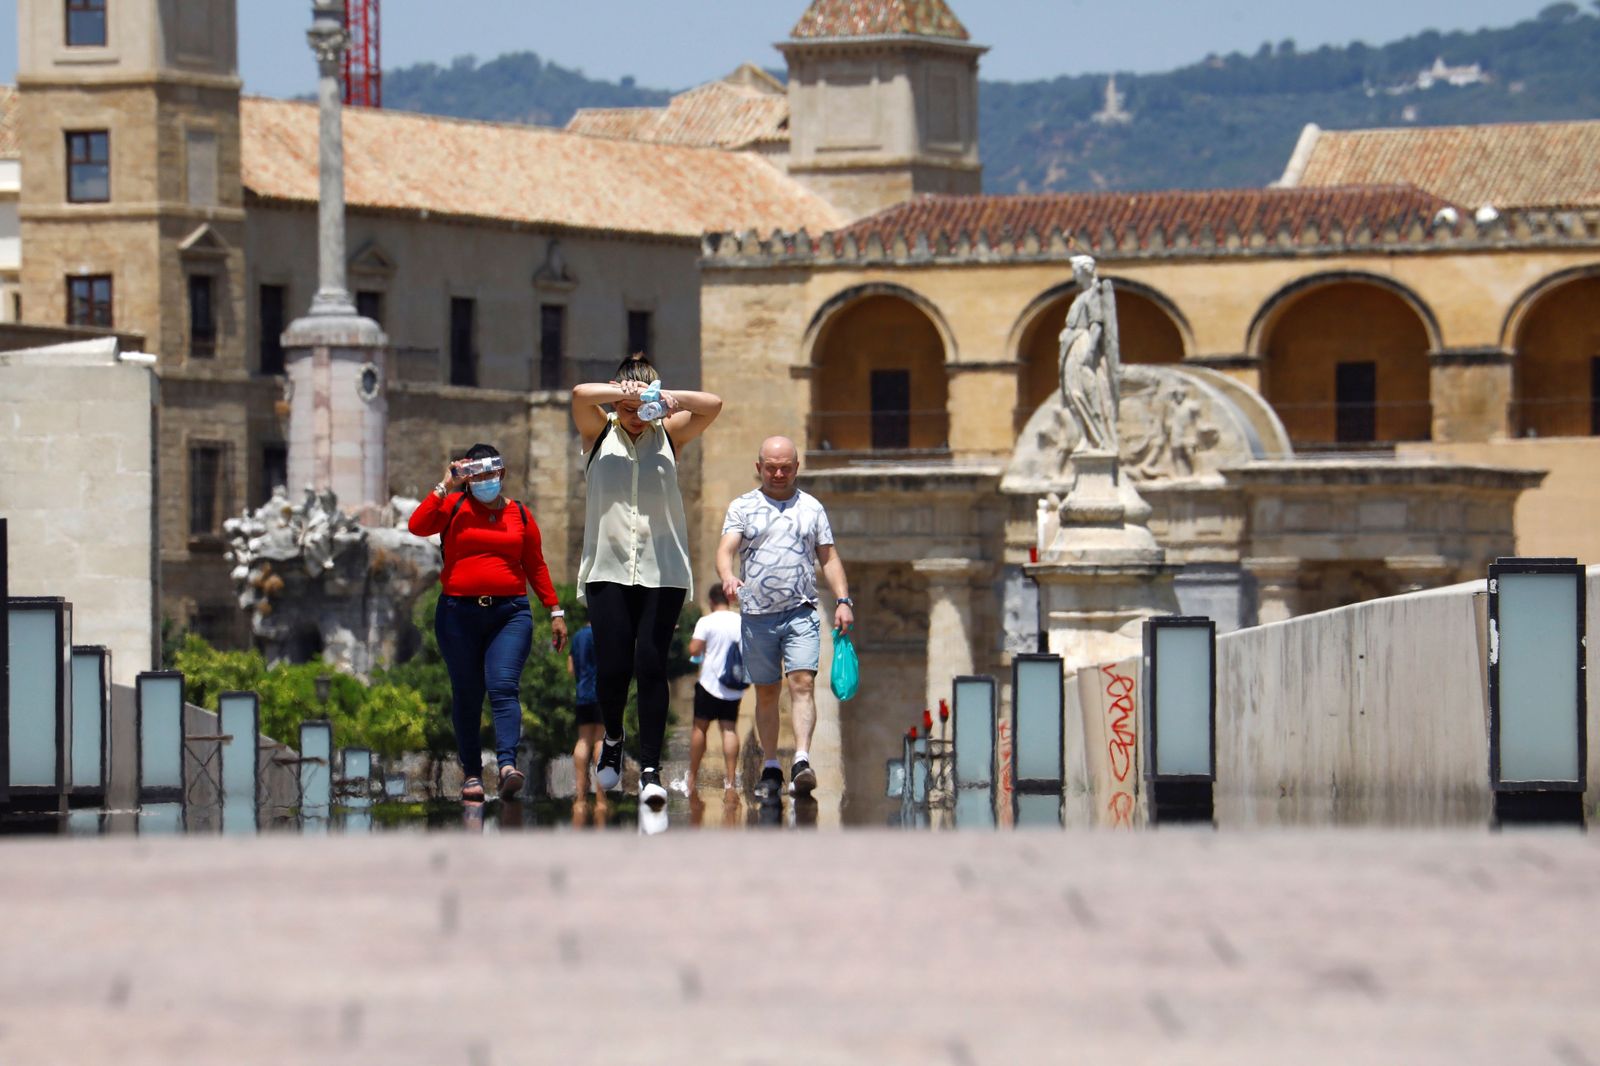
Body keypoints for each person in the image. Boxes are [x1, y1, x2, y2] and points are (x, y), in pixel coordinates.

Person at [571, 353, 723, 810]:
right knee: (614, 666)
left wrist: (666, 399)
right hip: (608, 566)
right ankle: (614, 735)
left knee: (651, 664)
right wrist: (623, 395)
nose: (636, 419)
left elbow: (712, 405)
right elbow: (579, 395)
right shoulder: (598, 433)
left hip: (663, 570)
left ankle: (652, 769)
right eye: (629, 410)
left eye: (644, 410)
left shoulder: (669, 435)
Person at [408, 443, 567, 803]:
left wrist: (555, 610)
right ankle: (472, 774)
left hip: (509, 613)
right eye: (476, 475)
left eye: (490, 474)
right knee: (467, 693)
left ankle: (508, 765)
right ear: (467, 477)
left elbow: (536, 565)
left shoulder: (520, 516)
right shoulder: (453, 507)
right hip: (457, 615)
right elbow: (417, 526)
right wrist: (444, 485)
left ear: (501, 474)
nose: (484, 481)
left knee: (503, 686)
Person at [716, 436, 853, 800]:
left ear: (796, 467)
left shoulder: (812, 508)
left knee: (802, 683)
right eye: (771, 467)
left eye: (786, 467)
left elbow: (830, 558)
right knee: (767, 692)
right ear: (758, 467)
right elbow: (726, 548)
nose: (778, 473)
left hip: (800, 611)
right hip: (757, 615)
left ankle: (802, 760)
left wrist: (843, 599)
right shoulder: (742, 506)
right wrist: (728, 575)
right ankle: (773, 764)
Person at [685, 585, 745, 795]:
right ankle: (730, 780)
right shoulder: (739, 621)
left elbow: (694, 649)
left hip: (709, 683)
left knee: (700, 728)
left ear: (711, 601)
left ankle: (692, 776)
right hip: (733, 685)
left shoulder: (706, 621)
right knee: (729, 729)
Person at [566, 623, 603, 800]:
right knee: (600, 740)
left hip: (583, 693)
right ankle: (601, 793)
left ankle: (580, 792)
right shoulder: (605, 632)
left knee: (583, 740)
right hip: (603, 694)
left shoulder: (578, 636)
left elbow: (570, 669)